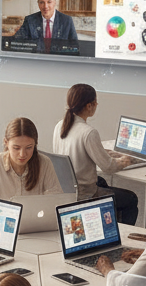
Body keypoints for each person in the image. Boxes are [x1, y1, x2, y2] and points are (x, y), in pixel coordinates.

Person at [52, 83, 140, 225]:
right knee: (131, 199)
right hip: (84, 193)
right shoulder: (89, 132)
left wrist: (102, 152)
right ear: (89, 105)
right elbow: (109, 167)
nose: (97, 105)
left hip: (67, 189)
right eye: (95, 102)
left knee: (102, 182)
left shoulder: (60, 125)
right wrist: (126, 160)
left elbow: (74, 152)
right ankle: (118, 234)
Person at [0, 118, 62, 200]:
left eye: (29, 147)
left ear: (35, 144)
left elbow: (56, 200)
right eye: (16, 148)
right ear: (6, 143)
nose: (22, 154)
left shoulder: (44, 163)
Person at [12, 0, 78, 53]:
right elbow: (16, 43)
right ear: (38, 3)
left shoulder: (67, 21)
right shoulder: (30, 20)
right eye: (41, 2)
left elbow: (75, 48)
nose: (45, 6)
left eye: (49, 2)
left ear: (55, 2)